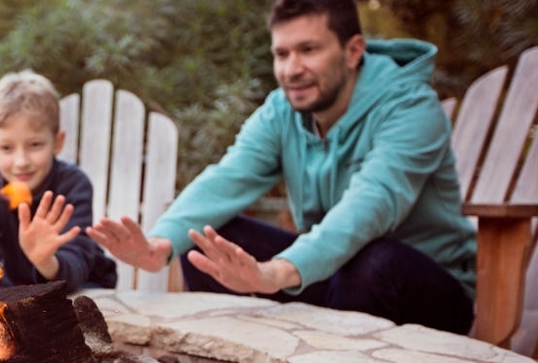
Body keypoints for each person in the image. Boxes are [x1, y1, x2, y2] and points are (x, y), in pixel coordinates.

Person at [87, 0, 476, 334]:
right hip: (335, 277)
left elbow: (370, 206)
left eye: (308, 49)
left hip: (426, 291)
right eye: (282, 53)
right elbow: (228, 177)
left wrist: (278, 272)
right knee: (208, 239)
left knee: (375, 261)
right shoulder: (282, 111)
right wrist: (162, 244)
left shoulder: (411, 108)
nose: (292, 69)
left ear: (354, 50)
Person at [0, 70, 117, 292]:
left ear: (57, 142)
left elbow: (79, 262)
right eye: (7, 148)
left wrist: (46, 261)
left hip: (80, 295)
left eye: (35, 145)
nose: (21, 161)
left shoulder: (73, 185)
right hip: (17, 301)